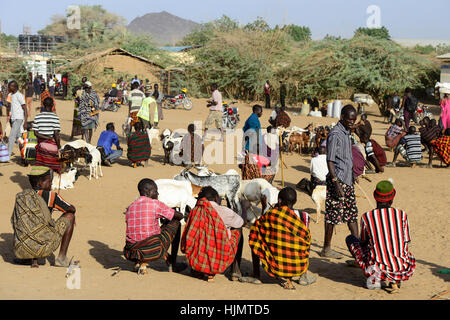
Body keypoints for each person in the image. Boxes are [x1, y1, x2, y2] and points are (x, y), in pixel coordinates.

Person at [346, 180, 415, 293]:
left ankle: (375, 278)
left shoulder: (367, 217)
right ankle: (394, 278)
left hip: (377, 267)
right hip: (400, 266)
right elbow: (406, 241)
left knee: (350, 239)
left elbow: (363, 242)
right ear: (391, 199)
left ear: (375, 198)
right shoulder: (402, 215)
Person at [248, 187, 315, 290]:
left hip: (276, 264)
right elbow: (305, 238)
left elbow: (259, 227)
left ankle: (256, 275)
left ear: (279, 201)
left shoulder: (272, 214)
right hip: (297, 265)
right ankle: (303, 276)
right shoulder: (304, 216)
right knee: (305, 242)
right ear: (295, 201)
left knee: (255, 234)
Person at [11, 166, 76, 268]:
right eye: (49, 182)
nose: (51, 184)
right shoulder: (50, 196)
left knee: (30, 224)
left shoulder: (22, 196)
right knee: (70, 216)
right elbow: (71, 208)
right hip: (42, 247)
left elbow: (15, 221)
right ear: (40, 183)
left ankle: (29, 259)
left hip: (21, 249)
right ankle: (62, 258)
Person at [123, 179, 187, 274]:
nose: (157, 194)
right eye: (156, 191)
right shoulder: (155, 204)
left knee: (153, 231)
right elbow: (179, 216)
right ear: (148, 191)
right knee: (176, 222)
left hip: (130, 253)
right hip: (152, 250)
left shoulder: (130, 207)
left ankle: (139, 262)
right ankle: (173, 263)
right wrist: (178, 214)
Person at [181, 186, 243, 282]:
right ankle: (235, 270)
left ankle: (197, 269)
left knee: (201, 235)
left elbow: (189, 234)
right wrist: (245, 208)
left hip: (197, 258)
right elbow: (241, 222)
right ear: (215, 198)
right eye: (220, 198)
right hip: (217, 258)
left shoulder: (195, 211)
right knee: (238, 229)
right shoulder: (224, 211)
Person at [322, 104, 358, 259]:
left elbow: (345, 158)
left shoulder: (346, 132)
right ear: (342, 117)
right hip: (337, 180)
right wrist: (336, 183)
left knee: (352, 214)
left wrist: (352, 174)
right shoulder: (335, 134)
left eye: (353, 120)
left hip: (347, 179)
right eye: (349, 119)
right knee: (332, 215)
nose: (351, 122)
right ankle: (326, 248)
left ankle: (358, 248)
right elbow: (330, 160)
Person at [33, 97, 61, 173]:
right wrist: (59, 147)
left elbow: (36, 133)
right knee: (55, 165)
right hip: (52, 144)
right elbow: (56, 134)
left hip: (41, 144)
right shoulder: (55, 117)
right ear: (52, 105)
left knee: (41, 167)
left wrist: (45, 137)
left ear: (43, 105)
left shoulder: (37, 117)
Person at [7, 81, 28, 157]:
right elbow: (12, 108)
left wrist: (25, 121)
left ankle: (7, 155)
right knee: (18, 138)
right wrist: (10, 118)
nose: (9, 88)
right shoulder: (11, 95)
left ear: (14, 87)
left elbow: (25, 108)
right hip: (13, 118)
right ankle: (24, 153)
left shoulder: (19, 95)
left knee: (11, 136)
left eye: (10, 86)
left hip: (18, 118)